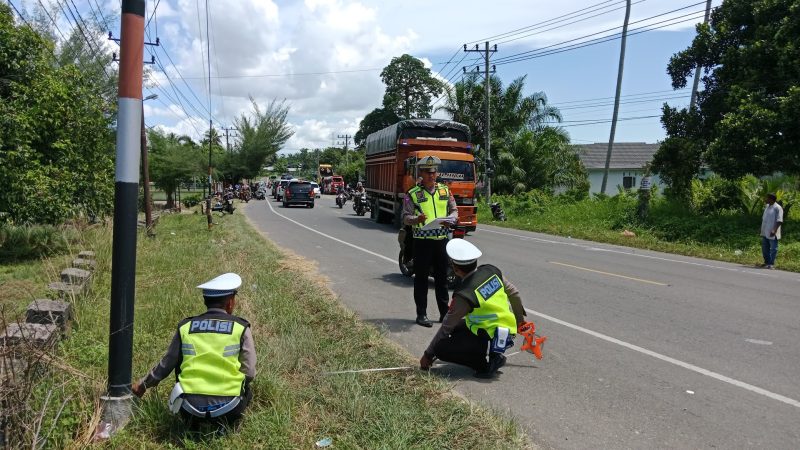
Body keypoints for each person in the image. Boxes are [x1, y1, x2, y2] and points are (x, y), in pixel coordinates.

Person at [132, 273, 256, 426]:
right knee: (247, 391)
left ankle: (195, 425)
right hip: (229, 410)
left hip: (189, 409)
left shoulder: (186, 326)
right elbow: (249, 372)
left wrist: (143, 385)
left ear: (205, 301)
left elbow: (167, 364)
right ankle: (227, 427)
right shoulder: (241, 327)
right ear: (230, 302)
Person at [420, 239, 528, 378]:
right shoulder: (491, 271)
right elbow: (514, 293)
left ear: (455, 269)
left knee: (440, 348)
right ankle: (495, 353)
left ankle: (483, 366)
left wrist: (428, 355)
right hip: (507, 330)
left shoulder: (464, 294)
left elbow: (446, 327)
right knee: (457, 327)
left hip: (488, 333)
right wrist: (520, 322)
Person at [402, 156, 458, 327]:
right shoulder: (413, 194)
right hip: (422, 242)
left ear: (437, 173)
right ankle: (421, 315)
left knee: (442, 279)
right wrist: (416, 219)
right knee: (421, 279)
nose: (431, 176)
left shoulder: (445, 191)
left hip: (441, 240)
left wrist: (452, 218)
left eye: (433, 172)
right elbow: (405, 217)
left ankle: (444, 314)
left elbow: (454, 210)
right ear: (421, 173)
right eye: (427, 172)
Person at [759, 193, 784, 269]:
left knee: (773, 248)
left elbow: (779, 220)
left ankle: (771, 263)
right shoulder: (767, 206)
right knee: (765, 247)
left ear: (771, 199)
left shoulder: (778, 208)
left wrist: (774, 230)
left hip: (773, 231)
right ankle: (766, 262)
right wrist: (761, 228)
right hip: (765, 230)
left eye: (767, 198)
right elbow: (764, 219)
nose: (765, 199)